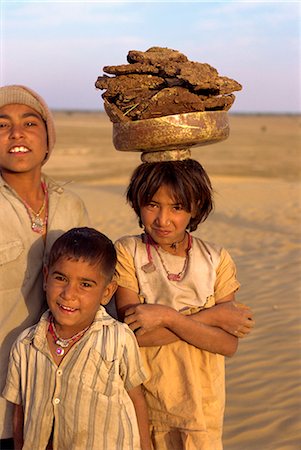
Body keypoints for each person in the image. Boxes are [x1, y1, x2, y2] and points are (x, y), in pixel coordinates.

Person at [114, 158, 255, 450]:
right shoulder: (128, 252)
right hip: (146, 407)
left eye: (176, 207)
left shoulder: (216, 259)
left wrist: (165, 317)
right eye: (152, 205)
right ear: (137, 203)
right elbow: (136, 335)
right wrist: (212, 316)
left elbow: (228, 344)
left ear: (196, 207)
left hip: (204, 408)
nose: (163, 219)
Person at [2, 227, 152, 450]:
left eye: (85, 284)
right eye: (61, 278)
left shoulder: (118, 339)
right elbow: (20, 413)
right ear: (46, 278)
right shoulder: (25, 345)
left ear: (107, 292)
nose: (68, 294)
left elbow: (136, 399)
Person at [0, 85, 89, 449]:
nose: (16, 133)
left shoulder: (73, 207)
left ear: (48, 140)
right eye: (2, 125)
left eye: (30, 123)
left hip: (61, 402)